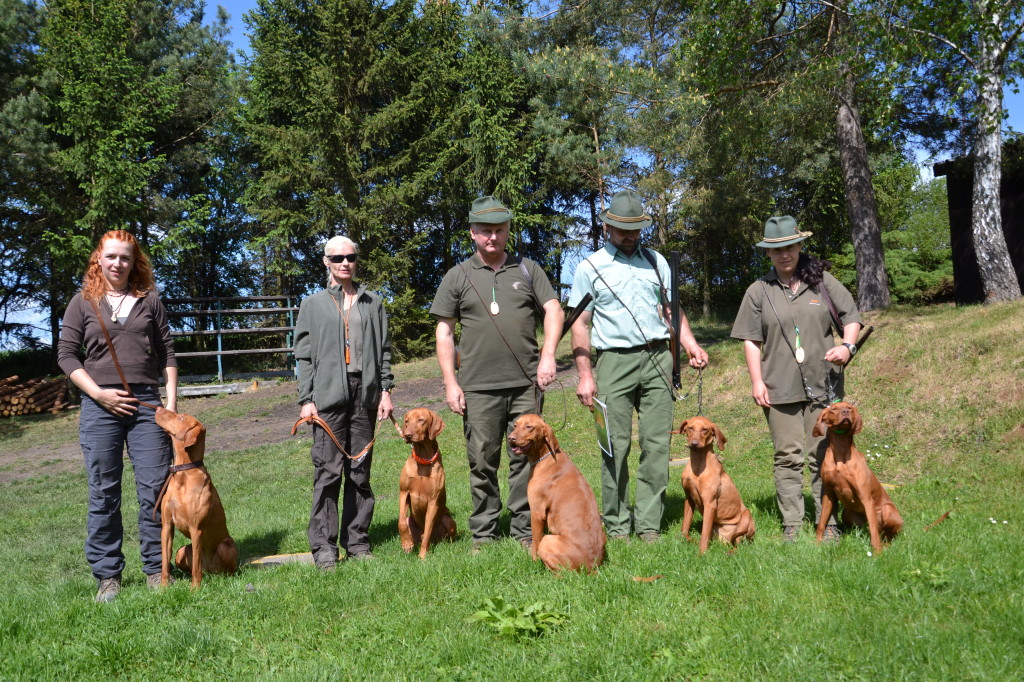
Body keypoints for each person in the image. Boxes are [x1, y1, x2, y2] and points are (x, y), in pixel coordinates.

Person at [568, 189, 708, 543]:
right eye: (621, 229)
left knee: (656, 444)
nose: (628, 235)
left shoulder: (658, 262)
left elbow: (671, 310)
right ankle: (616, 524)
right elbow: (580, 324)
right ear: (607, 228)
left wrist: (690, 345)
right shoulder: (590, 267)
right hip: (614, 361)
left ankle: (648, 525)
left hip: (658, 357)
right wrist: (585, 375)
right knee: (613, 445)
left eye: (634, 229)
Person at [430, 196, 564, 552]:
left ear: (508, 232)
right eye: (486, 231)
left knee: (525, 459)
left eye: (499, 231)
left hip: (525, 385)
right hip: (477, 387)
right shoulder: (457, 276)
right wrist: (450, 383)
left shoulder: (527, 269)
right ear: (473, 233)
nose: (493, 237)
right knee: (482, 461)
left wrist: (548, 355)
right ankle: (485, 534)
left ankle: (523, 529)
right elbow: (444, 332)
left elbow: (553, 309)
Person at [57, 230, 178, 603]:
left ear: (134, 261)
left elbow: (167, 354)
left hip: (146, 406)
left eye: (125, 257)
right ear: (98, 259)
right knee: (103, 492)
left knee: (155, 490)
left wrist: (169, 406)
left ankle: (158, 570)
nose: (117, 263)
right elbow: (66, 355)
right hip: (99, 407)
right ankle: (108, 577)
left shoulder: (150, 301)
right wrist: (97, 394)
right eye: (110, 257)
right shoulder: (83, 302)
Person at [730, 216, 862, 542]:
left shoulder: (823, 283)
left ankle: (828, 522)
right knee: (787, 457)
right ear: (768, 254)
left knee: (822, 455)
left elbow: (852, 318)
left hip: (824, 385)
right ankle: (792, 522)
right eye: (777, 250)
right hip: (778, 387)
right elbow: (750, 340)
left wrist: (847, 347)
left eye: (789, 247)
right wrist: (757, 381)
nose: (784, 254)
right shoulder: (758, 291)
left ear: (800, 246)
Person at [293, 236, 395, 569]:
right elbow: (304, 356)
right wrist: (307, 399)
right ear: (326, 261)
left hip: (365, 393)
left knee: (359, 472)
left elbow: (385, 353)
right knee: (327, 472)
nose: (344, 263)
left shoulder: (372, 303)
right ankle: (324, 548)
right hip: (327, 397)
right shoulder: (313, 305)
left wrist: (386, 391)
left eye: (350, 257)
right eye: (337, 258)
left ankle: (358, 543)